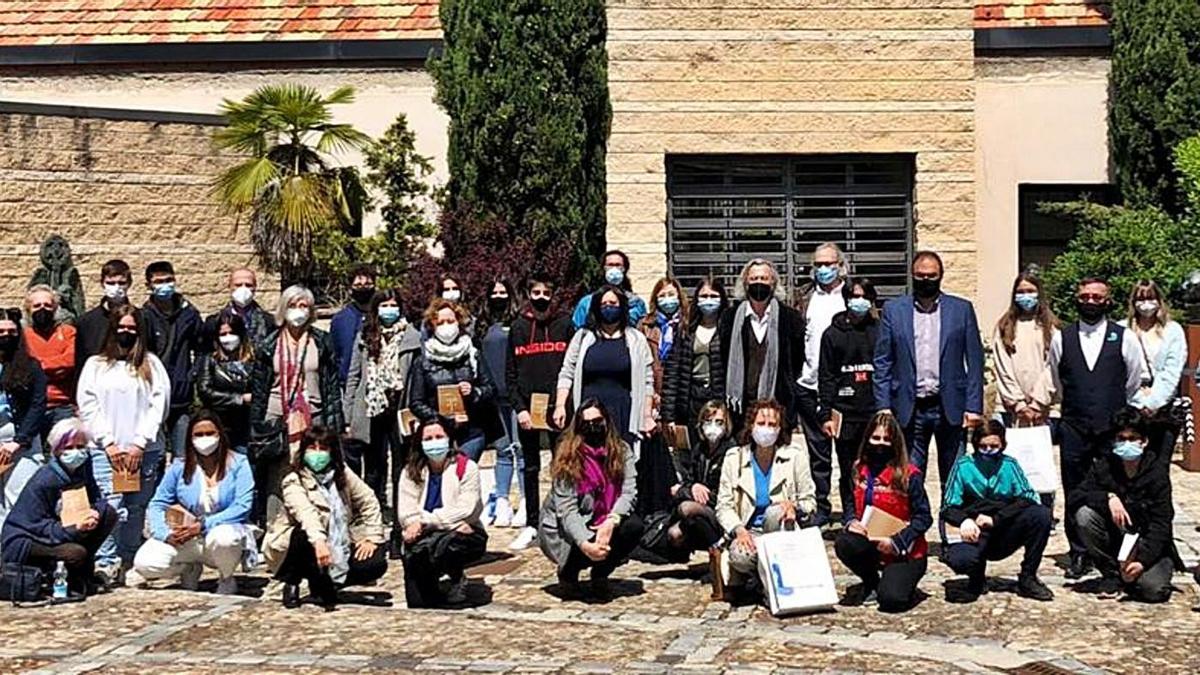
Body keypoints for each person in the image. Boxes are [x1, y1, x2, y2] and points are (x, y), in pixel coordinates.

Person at [1049, 276, 1146, 579]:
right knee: (1074, 487)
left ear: (1107, 300)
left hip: (1111, 427)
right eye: (1085, 296)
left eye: (1097, 297)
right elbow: (1056, 380)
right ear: (1077, 298)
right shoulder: (1060, 338)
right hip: (1075, 426)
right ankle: (1079, 552)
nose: (1090, 301)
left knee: (1116, 487)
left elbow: (1134, 378)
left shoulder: (1124, 336)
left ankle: (1117, 547)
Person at [874, 250, 984, 486]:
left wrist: (974, 406)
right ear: (912, 275)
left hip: (950, 406)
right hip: (909, 407)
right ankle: (915, 522)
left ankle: (951, 522)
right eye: (920, 275)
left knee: (954, 477)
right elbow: (883, 360)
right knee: (909, 476)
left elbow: (975, 361)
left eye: (931, 276)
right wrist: (883, 405)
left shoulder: (961, 309)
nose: (926, 280)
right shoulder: (894, 310)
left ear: (941, 276)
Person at [76, 303, 169, 585]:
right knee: (110, 505)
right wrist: (109, 443)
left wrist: (140, 443)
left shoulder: (151, 365)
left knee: (137, 506)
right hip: (108, 451)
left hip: (144, 451)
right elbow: (88, 405)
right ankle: (106, 561)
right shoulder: (95, 365)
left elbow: (158, 405)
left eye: (131, 327)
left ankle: (130, 558)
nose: (126, 332)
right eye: (121, 327)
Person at [127, 412, 256, 595]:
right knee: (145, 562)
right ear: (190, 438)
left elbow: (243, 506)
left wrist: (203, 525)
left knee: (225, 538)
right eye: (199, 434)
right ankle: (188, 569)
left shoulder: (239, 463)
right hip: (186, 537)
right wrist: (164, 534)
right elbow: (158, 503)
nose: (205, 439)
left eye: (210, 433)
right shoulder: (179, 467)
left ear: (220, 435)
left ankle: (226, 577)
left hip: (220, 534)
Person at [263, 427, 387, 611]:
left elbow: (368, 500)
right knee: (302, 536)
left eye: (323, 448)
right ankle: (292, 581)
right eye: (312, 448)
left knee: (375, 562)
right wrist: (320, 542)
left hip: (336, 541)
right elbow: (306, 513)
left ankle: (330, 581)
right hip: (299, 546)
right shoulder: (293, 479)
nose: (317, 454)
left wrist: (372, 537)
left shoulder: (342, 473)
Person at [249, 285, 343, 525]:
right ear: (283, 309)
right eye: (293, 306)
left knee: (314, 472)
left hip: (314, 415)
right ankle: (275, 531)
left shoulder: (321, 341)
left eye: (303, 306)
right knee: (277, 477)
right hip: (277, 418)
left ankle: (318, 528)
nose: (298, 311)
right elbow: (260, 388)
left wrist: (335, 423)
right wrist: (258, 425)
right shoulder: (269, 343)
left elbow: (331, 385)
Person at [1069, 410, 1182, 602]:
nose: (1126, 443)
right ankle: (1111, 574)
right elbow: (1076, 496)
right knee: (1084, 516)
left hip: (1147, 545)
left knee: (1154, 591)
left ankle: (1135, 575)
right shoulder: (1104, 466)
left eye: (1133, 438)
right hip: (1116, 539)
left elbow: (1162, 523)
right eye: (1121, 438)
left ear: (1144, 442)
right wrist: (1108, 497)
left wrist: (1142, 561)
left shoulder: (1157, 474)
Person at [539, 399, 645, 598]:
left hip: (605, 519)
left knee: (634, 526)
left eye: (597, 421)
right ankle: (569, 574)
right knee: (578, 538)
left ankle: (601, 574)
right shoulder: (568, 456)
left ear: (606, 421)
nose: (592, 427)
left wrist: (612, 520)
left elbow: (629, 492)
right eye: (586, 423)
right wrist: (586, 543)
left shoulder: (622, 451)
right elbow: (567, 510)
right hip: (571, 528)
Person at [939, 420, 1054, 602]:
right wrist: (964, 521)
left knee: (1040, 515)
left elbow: (1029, 496)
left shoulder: (1010, 465)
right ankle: (975, 580)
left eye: (994, 446)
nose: (989, 451)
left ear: (1003, 445)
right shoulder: (963, 466)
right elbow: (947, 507)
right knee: (961, 560)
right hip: (975, 529)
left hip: (1003, 527)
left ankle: (1028, 577)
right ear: (976, 445)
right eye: (983, 446)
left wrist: (997, 518)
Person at [0, 417, 116, 597]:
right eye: (68, 448)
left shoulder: (83, 468)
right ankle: (64, 576)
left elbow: (97, 497)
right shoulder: (45, 480)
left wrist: (94, 512)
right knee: (75, 553)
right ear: (56, 450)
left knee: (108, 514)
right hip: (28, 537)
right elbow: (37, 524)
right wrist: (72, 529)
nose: (76, 452)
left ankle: (81, 574)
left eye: (80, 447)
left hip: (66, 526)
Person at [715, 399, 817, 591]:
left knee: (773, 512)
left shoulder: (795, 457)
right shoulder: (733, 459)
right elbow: (724, 506)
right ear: (751, 426)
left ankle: (768, 582)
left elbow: (810, 501)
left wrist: (794, 507)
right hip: (749, 532)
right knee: (739, 557)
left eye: (772, 425)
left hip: (781, 532)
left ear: (780, 429)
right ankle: (763, 576)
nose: (766, 429)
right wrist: (739, 530)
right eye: (761, 424)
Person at [834, 411, 931, 612]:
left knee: (892, 601)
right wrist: (851, 520)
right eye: (876, 438)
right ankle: (871, 581)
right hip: (871, 541)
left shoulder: (908, 475)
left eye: (887, 439)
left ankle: (899, 582)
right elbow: (849, 499)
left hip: (904, 549)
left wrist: (898, 541)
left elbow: (924, 517)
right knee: (844, 543)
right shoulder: (858, 469)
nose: (881, 444)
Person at [505, 274, 574, 551]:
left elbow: (572, 368)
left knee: (563, 466)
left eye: (546, 292)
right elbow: (510, 375)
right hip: (528, 411)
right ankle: (532, 523)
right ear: (528, 294)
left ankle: (560, 517)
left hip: (559, 408)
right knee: (530, 467)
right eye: (536, 291)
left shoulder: (565, 325)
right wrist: (520, 409)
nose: (541, 296)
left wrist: (564, 405)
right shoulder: (519, 327)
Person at [343, 289, 421, 516]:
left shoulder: (412, 337)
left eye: (393, 305)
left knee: (401, 467)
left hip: (400, 407)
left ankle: (400, 522)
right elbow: (354, 376)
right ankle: (371, 518)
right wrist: (347, 414)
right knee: (373, 468)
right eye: (384, 305)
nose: (389, 310)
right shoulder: (365, 336)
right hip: (371, 407)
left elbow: (416, 376)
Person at [396, 420, 488, 608]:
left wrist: (425, 521)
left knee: (450, 543)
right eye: (428, 438)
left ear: (449, 439)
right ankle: (431, 581)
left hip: (459, 535)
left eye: (439, 437)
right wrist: (415, 524)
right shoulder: (410, 472)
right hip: (424, 535)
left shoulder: (466, 467)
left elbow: (468, 508)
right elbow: (406, 511)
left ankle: (455, 577)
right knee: (419, 602)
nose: (434, 442)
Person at [554, 286, 656, 445]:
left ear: (622, 306)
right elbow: (567, 372)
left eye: (613, 303)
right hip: (588, 414)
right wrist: (560, 405)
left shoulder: (636, 339)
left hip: (623, 413)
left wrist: (647, 415)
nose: (609, 307)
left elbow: (647, 381)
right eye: (604, 304)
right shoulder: (582, 337)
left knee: (622, 464)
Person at [793, 243, 848, 529]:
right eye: (818, 264)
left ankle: (851, 508)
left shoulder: (851, 298)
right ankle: (822, 507)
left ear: (841, 265)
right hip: (808, 385)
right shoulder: (803, 298)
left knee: (849, 453)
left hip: (843, 390)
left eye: (829, 263)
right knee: (818, 453)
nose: (823, 269)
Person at [818, 277, 880, 522]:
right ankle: (850, 513)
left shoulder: (880, 330)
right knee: (848, 468)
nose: (859, 301)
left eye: (864, 296)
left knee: (875, 466)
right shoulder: (832, 334)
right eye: (855, 296)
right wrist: (826, 415)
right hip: (844, 413)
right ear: (846, 300)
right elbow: (827, 377)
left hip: (874, 411)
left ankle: (875, 513)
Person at [720, 259, 805, 427]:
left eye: (764, 279)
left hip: (778, 405)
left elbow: (797, 360)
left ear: (773, 282)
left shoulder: (790, 318)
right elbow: (723, 358)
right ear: (745, 283)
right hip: (740, 407)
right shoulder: (729, 318)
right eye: (754, 279)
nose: (759, 283)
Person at [409, 299, 497, 461]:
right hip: (438, 434)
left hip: (471, 431)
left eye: (450, 321)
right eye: (440, 322)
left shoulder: (473, 355)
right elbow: (416, 403)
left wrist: (474, 392)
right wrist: (442, 418)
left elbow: (490, 389)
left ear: (459, 322)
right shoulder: (422, 361)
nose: (446, 326)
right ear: (432, 326)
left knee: (464, 475)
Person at [1121, 280, 1186, 472]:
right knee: (1131, 464)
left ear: (1159, 300)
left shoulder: (1173, 330)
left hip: (1163, 407)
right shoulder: (1122, 329)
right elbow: (1118, 370)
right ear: (1133, 302)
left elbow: (1172, 369)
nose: (1145, 303)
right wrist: (1139, 400)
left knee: (1159, 466)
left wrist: (1154, 401)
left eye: (1150, 297)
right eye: (1140, 298)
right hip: (1131, 403)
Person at [141, 261, 203, 459]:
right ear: (148, 285)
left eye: (168, 280)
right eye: (158, 281)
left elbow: (201, 348)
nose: (164, 285)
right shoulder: (144, 316)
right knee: (153, 454)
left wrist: (193, 374)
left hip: (181, 397)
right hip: (151, 397)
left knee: (182, 455)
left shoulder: (189, 314)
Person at [478, 279, 524, 528]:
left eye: (502, 291)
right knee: (503, 450)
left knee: (521, 449)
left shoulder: (517, 322)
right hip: (493, 397)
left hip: (515, 396)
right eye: (494, 292)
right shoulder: (483, 325)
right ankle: (502, 501)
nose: (498, 296)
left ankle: (526, 501)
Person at [664, 400, 735, 559]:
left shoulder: (731, 451)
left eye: (719, 422)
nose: (713, 426)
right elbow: (688, 481)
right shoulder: (699, 449)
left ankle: (717, 553)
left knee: (686, 508)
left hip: (719, 508)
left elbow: (727, 493)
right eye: (708, 421)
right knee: (674, 534)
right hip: (701, 507)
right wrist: (693, 488)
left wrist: (703, 494)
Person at [0, 309, 48, 531]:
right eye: (1, 331)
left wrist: (18, 441)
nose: (6, 336)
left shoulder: (31, 366)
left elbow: (38, 404)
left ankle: (16, 552)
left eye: (11, 331)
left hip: (21, 442)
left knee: (19, 497)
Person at [662, 277, 728, 433]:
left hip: (718, 398)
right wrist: (668, 415)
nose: (708, 300)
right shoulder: (685, 329)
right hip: (691, 399)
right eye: (704, 296)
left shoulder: (728, 329)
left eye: (713, 296)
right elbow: (672, 373)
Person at [195, 313, 255, 454]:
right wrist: (240, 399)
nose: (228, 337)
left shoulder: (253, 361)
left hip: (247, 425)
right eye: (223, 334)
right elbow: (205, 391)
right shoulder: (210, 360)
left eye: (232, 332)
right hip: (221, 424)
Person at [23, 285, 77, 437]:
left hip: (63, 406)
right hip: (31, 407)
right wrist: (57, 369)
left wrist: (39, 366)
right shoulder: (23, 337)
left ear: (55, 308)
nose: (42, 309)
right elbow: (23, 367)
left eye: (47, 305)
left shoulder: (68, 332)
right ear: (28, 309)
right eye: (37, 305)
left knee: (67, 455)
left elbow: (70, 360)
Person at [75, 259, 133, 370]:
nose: (117, 288)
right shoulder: (86, 322)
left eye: (122, 283)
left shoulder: (140, 318)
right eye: (111, 283)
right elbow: (80, 362)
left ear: (129, 283)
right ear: (102, 283)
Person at [571, 250, 648, 329]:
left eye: (618, 265)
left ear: (625, 269)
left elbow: (643, 328)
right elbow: (578, 329)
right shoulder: (587, 302)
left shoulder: (636, 303)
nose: (614, 269)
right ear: (603, 268)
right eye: (610, 265)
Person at [202, 267, 275, 349]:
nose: (243, 289)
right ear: (229, 287)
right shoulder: (214, 323)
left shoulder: (269, 322)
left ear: (255, 288)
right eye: (238, 285)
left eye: (248, 285)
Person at [330, 264, 377, 387]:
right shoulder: (340, 320)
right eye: (358, 285)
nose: (363, 289)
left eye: (368, 285)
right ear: (350, 288)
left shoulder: (379, 315)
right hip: (347, 384)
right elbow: (335, 355)